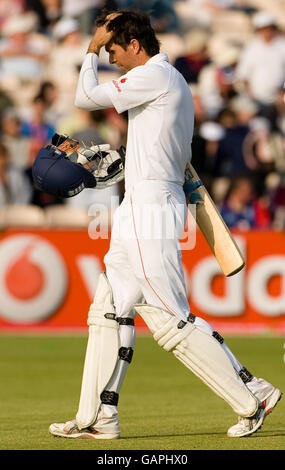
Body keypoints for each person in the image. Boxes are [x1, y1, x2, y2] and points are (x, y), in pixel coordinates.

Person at [49, 10, 281, 440]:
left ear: (135, 45)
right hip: (141, 199)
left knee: (167, 316)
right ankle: (98, 417)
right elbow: (151, 146)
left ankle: (252, 396)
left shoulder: (156, 75)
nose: (112, 59)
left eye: (114, 50)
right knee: (108, 308)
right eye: (107, 51)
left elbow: (84, 97)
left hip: (150, 204)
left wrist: (90, 48)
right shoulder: (162, 82)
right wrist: (118, 160)